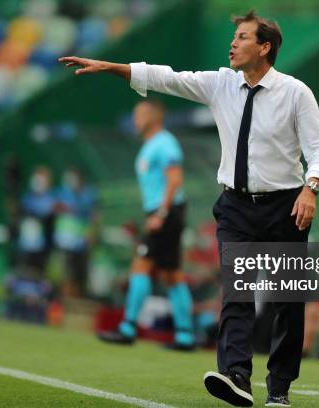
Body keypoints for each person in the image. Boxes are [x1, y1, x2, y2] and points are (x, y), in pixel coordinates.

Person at [60, 9, 319, 406]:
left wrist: (311, 188)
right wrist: (110, 66)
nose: (233, 43)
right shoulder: (219, 84)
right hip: (235, 207)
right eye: (234, 37)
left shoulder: (296, 92)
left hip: (286, 206)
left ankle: (280, 388)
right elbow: (166, 77)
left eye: (242, 37)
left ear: (265, 47)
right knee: (236, 294)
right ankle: (237, 375)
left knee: (285, 303)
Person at [97, 98, 196, 351]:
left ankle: (128, 328)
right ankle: (185, 336)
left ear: (153, 117)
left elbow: (175, 180)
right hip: (165, 212)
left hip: (166, 212)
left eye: (139, 114)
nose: (135, 120)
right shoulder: (151, 145)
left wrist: (160, 214)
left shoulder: (165, 143)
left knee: (140, 266)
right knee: (171, 274)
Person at [52, 168, 99, 297]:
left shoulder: (89, 194)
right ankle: (66, 300)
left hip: (82, 243)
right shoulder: (61, 193)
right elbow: (54, 208)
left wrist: (92, 233)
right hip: (64, 242)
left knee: (81, 275)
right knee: (66, 274)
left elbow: (94, 216)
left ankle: (78, 299)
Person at [18, 166, 55, 273]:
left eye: (42, 179)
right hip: (25, 246)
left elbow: (46, 216)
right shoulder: (27, 198)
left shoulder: (51, 200)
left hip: (42, 249)